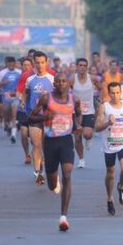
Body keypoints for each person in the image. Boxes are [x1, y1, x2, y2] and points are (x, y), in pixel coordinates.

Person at [29, 73, 81, 231]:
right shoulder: (46, 98)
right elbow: (31, 117)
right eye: (58, 81)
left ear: (68, 84)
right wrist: (44, 116)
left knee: (67, 174)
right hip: (50, 142)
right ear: (54, 84)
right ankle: (53, 180)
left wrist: (77, 125)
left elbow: (78, 114)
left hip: (66, 140)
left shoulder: (74, 99)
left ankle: (63, 217)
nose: (61, 83)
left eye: (64, 81)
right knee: (52, 184)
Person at [95, 82, 123, 215]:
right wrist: (108, 122)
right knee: (110, 172)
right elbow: (97, 127)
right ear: (109, 93)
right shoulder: (104, 107)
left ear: (121, 93)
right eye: (112, 93)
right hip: (109, 145)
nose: (115, 95)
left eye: (118, 92)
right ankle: (109, 198)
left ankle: (121, 186)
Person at [23, 51, 55, 185]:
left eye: (42, 62)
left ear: (46, 63)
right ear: (34, 64)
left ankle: (48, 169)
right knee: (36, 145)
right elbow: (26, 94)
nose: (40, 65)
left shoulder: (52, 79)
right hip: (35, 117)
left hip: (48, 117)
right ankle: (38, 172)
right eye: (37, 63)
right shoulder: (30, 80)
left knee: (47, 146)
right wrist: (25, 105)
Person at [72, 57, 102, 168]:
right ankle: (81, 159)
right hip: (76, 112)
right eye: (80, 65)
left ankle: (89, 139)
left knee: (87, 134)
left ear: (87, 67)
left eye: (85, 65)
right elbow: (65, 91)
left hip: (89, 111)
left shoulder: (92, 78)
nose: (83, 67)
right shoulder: (72, 79)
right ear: (77, 66)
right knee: (77, 136)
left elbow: (101, 89)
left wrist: (100, 100)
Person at [0, 56, 22, 143]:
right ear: (6, 64)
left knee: (14, 114)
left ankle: (13, 135)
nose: (11, 65)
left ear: (15, 64)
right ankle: (7, 124)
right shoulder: (2, 73)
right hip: (6, 97)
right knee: (6, 115)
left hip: (16, 97)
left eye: (12, 64)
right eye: (9, 64)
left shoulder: (19, 72)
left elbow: (24, 83)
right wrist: (4, 82)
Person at [16, 58, 34, 164]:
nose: (27, 67)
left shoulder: (36, 77)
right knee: (23, 133)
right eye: (25, 65)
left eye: (29, 65)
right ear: (22, 66)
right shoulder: (23, 76)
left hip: (34, 110)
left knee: (33, 135)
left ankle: (36, 151)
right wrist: (22, 100)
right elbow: (18, 91)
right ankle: (27, 154)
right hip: (23, 109)